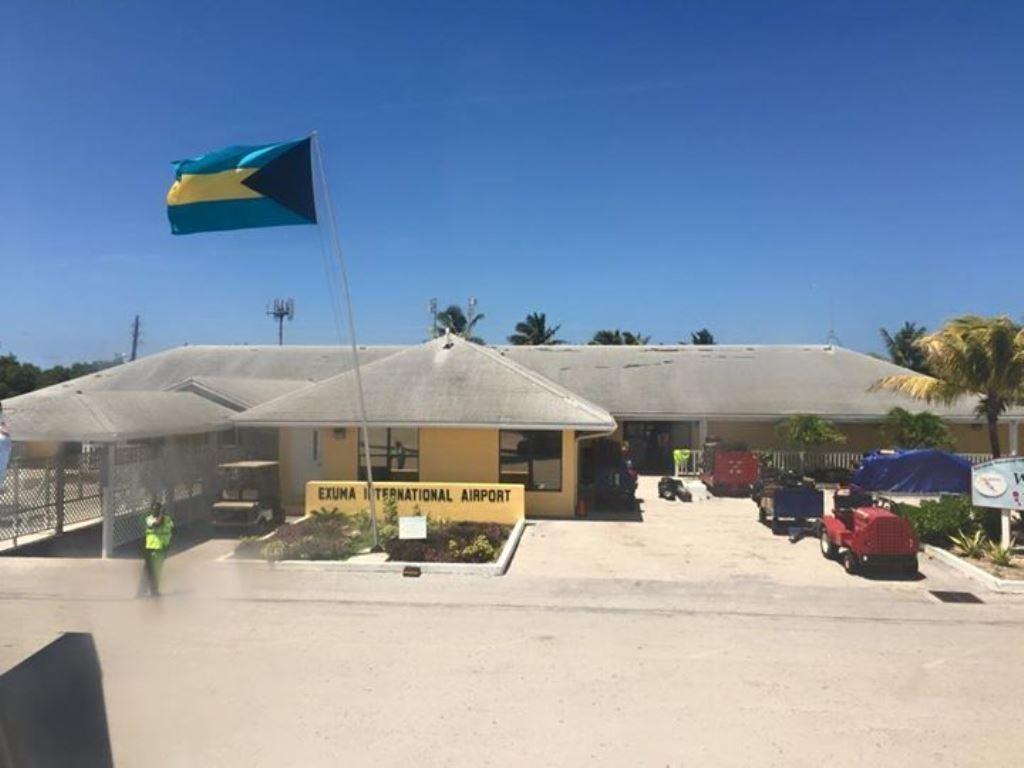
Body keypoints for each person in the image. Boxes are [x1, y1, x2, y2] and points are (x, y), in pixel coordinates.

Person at [138, 503, 173, 597]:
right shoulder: (149, 519)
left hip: (162, 549)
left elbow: (169, 527)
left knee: (156, 570)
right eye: (153, 509)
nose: (154, 511)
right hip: (151, 548)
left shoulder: (167, 519)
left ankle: (152, 590)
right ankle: (145, 591)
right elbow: (157, 524)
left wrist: (162, 516)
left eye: (157, 509)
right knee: (149, 570)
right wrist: (161, 514)